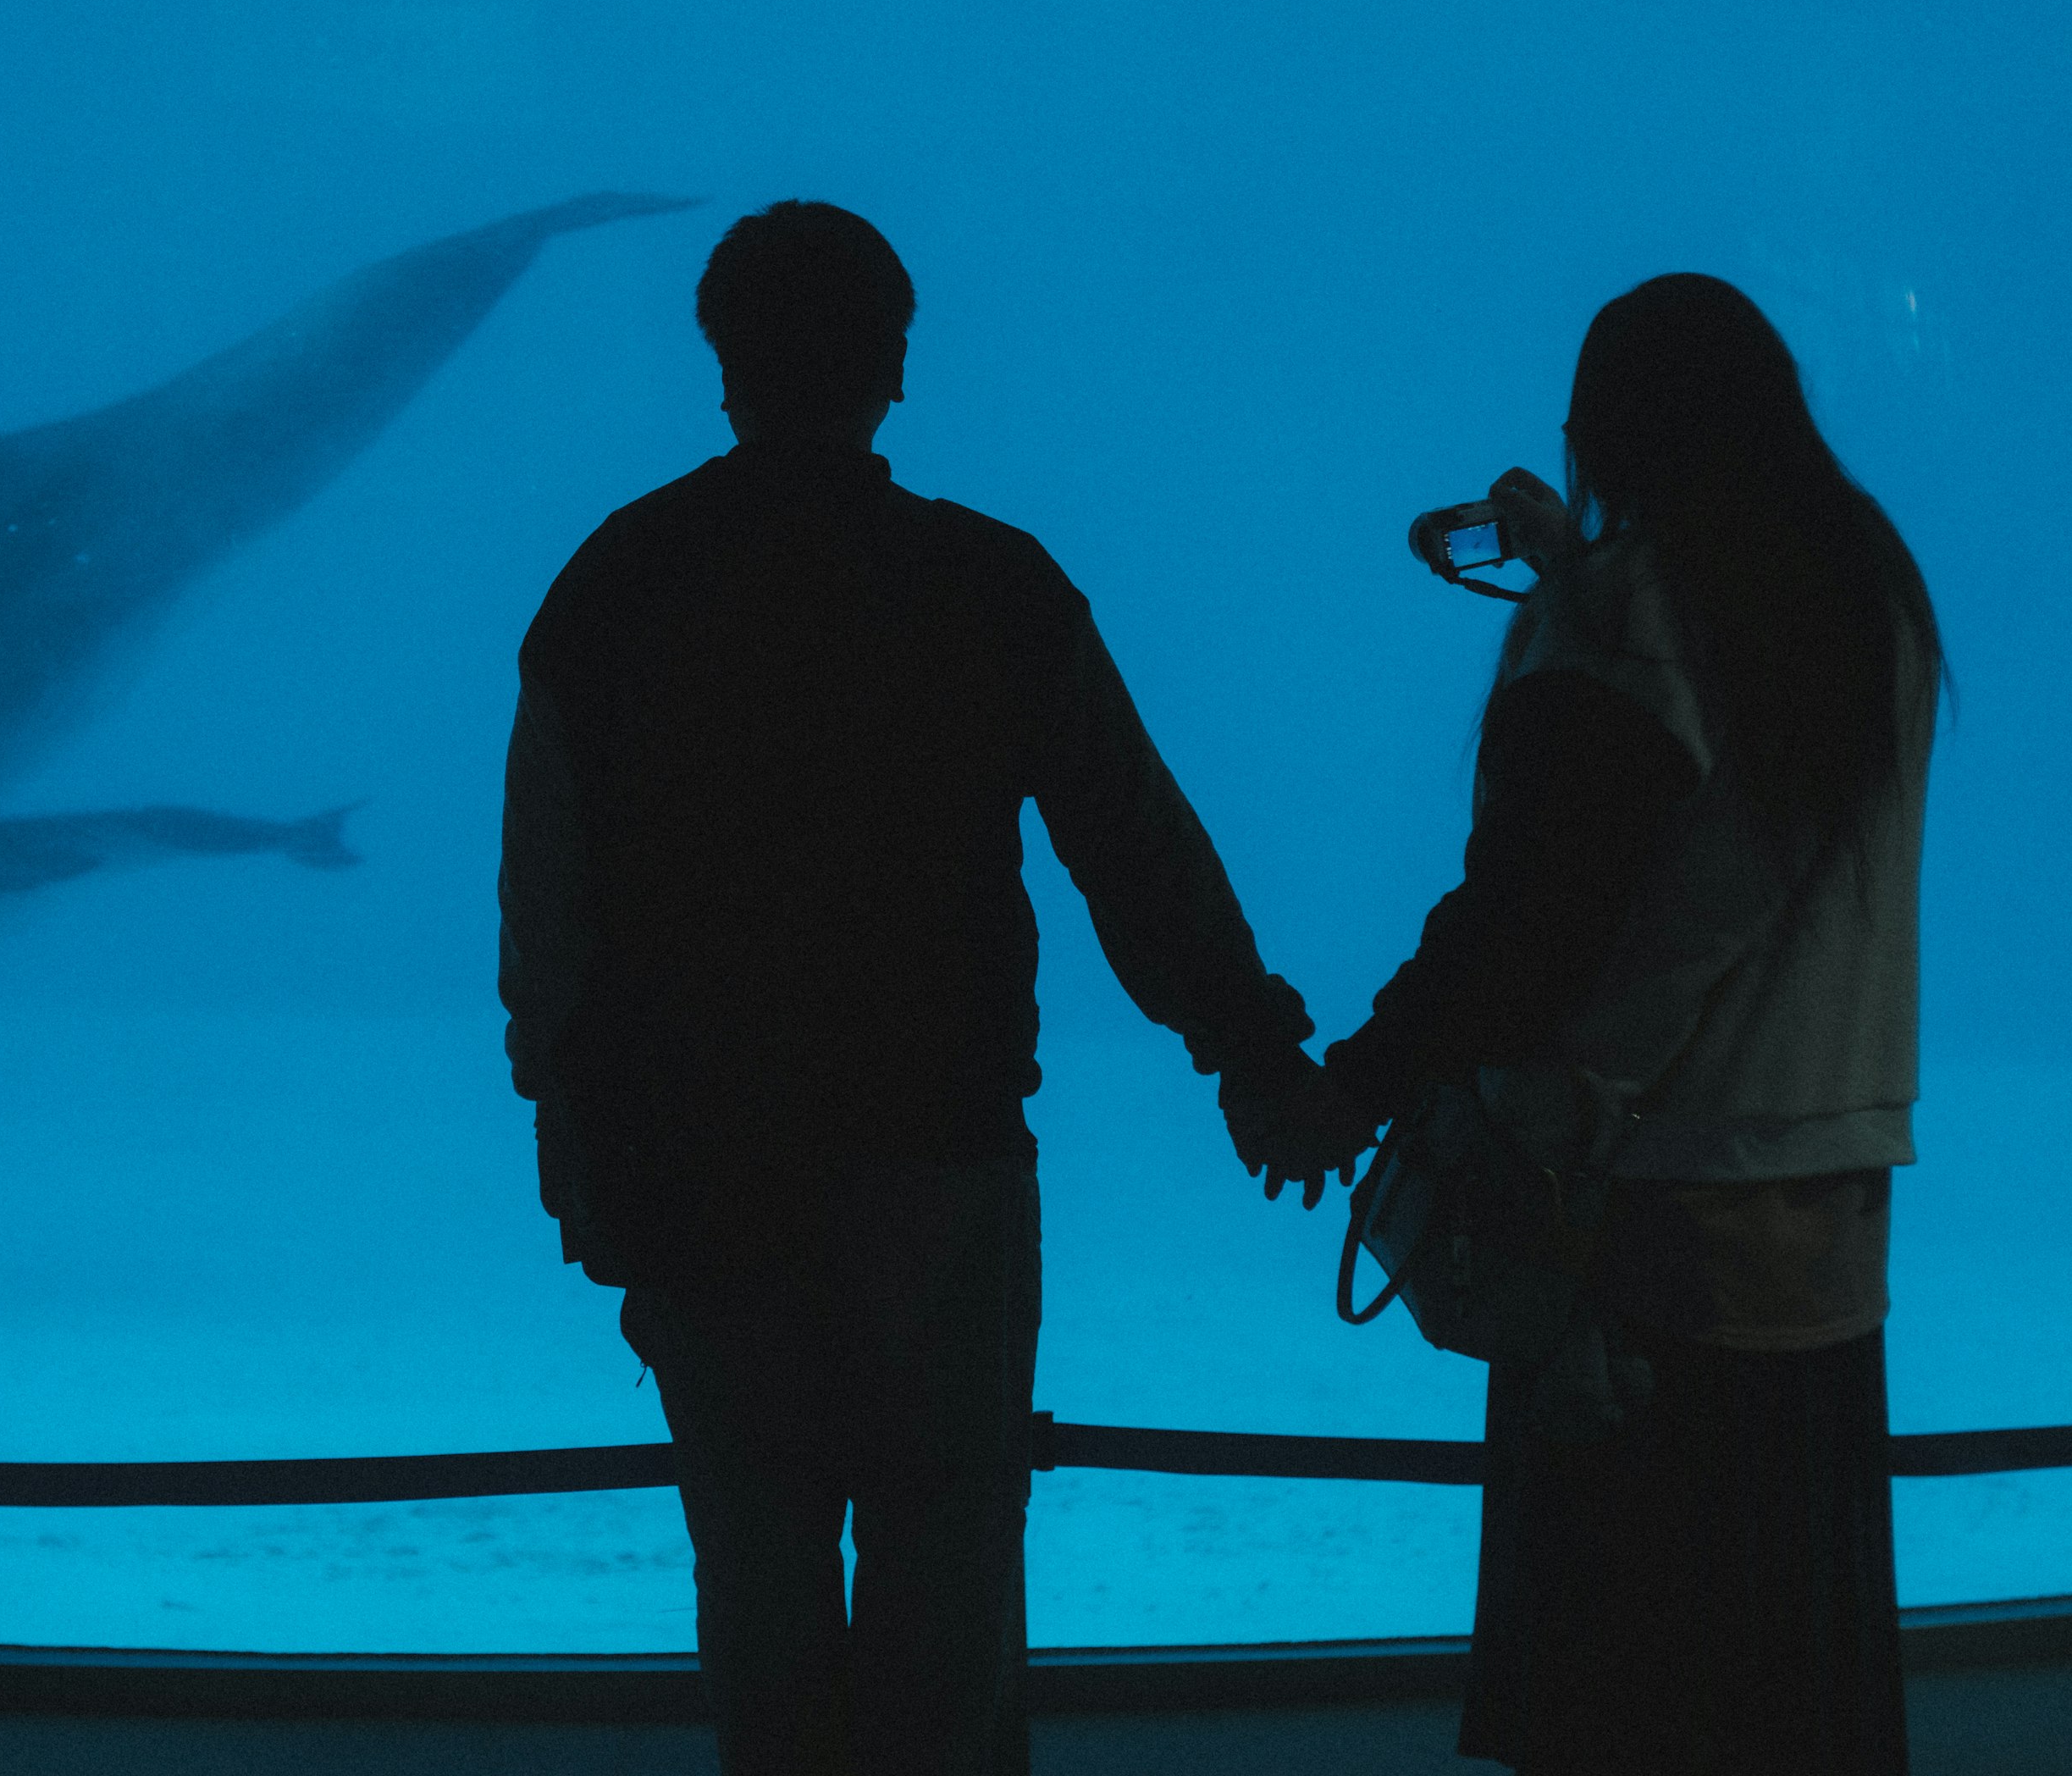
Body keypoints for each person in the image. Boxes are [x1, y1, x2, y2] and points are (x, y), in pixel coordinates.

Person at [499, 201, 1327, 1776]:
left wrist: (570, 1127)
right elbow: (1135, 852)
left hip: (697, 1166)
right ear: (896, 366)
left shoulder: (614, 583)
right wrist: (1254, 1052)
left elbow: (550, 904)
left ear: (721, 367)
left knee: (760, 1592)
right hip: (938, 1169)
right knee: (947, 1605)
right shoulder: (988, 584)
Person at [1275, 273, 1942, 1774]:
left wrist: (1353, 1086)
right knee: (1784, 1675)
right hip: (1826, 1232)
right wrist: (1577, 569)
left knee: (1628, 1682)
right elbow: (1726, 791)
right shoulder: (1868, 588)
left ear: (1610, 432)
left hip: (1629, 1234)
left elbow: (1532, 919)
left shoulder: (1627, 612)